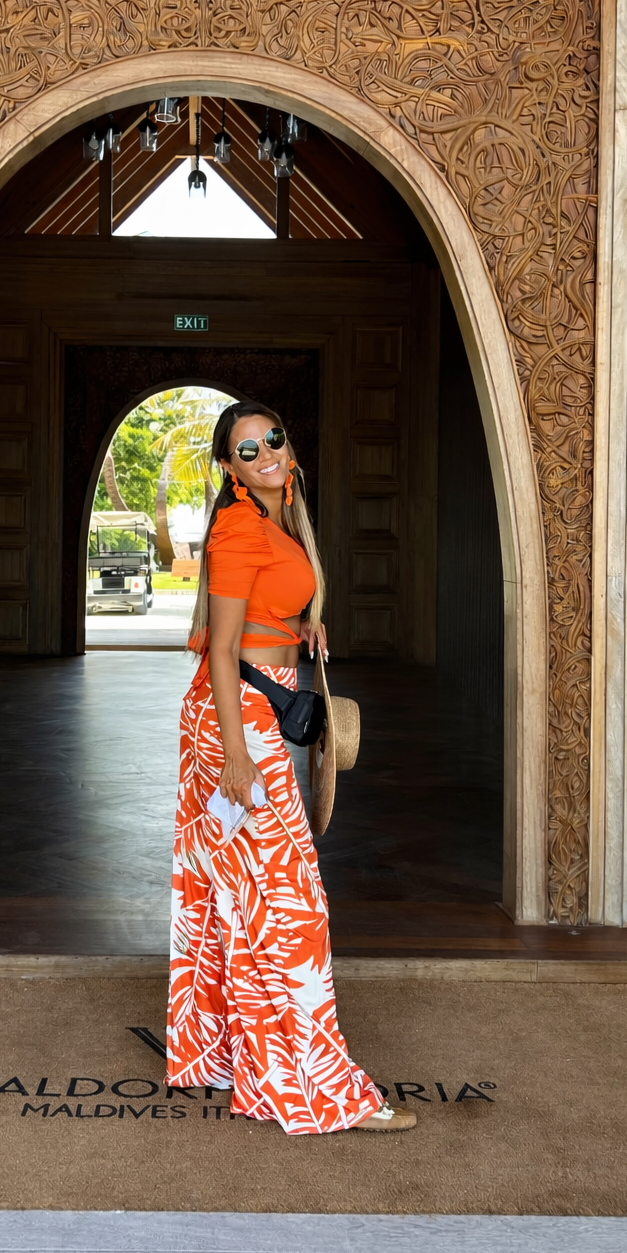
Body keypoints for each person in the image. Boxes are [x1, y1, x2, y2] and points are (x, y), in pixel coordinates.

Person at [165, 400, 417, 1134]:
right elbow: (220, 649)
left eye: (272, 438)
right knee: (293, 904)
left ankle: (229, 1060)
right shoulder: (238, 527)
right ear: (229, 468)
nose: (266, 453)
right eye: (247, 450)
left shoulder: (280, 521)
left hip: (261, 701)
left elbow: (259, 611)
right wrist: (236, 755)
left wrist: (298, 622)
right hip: (236, 720)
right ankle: (319, 1091)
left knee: (238, 895)